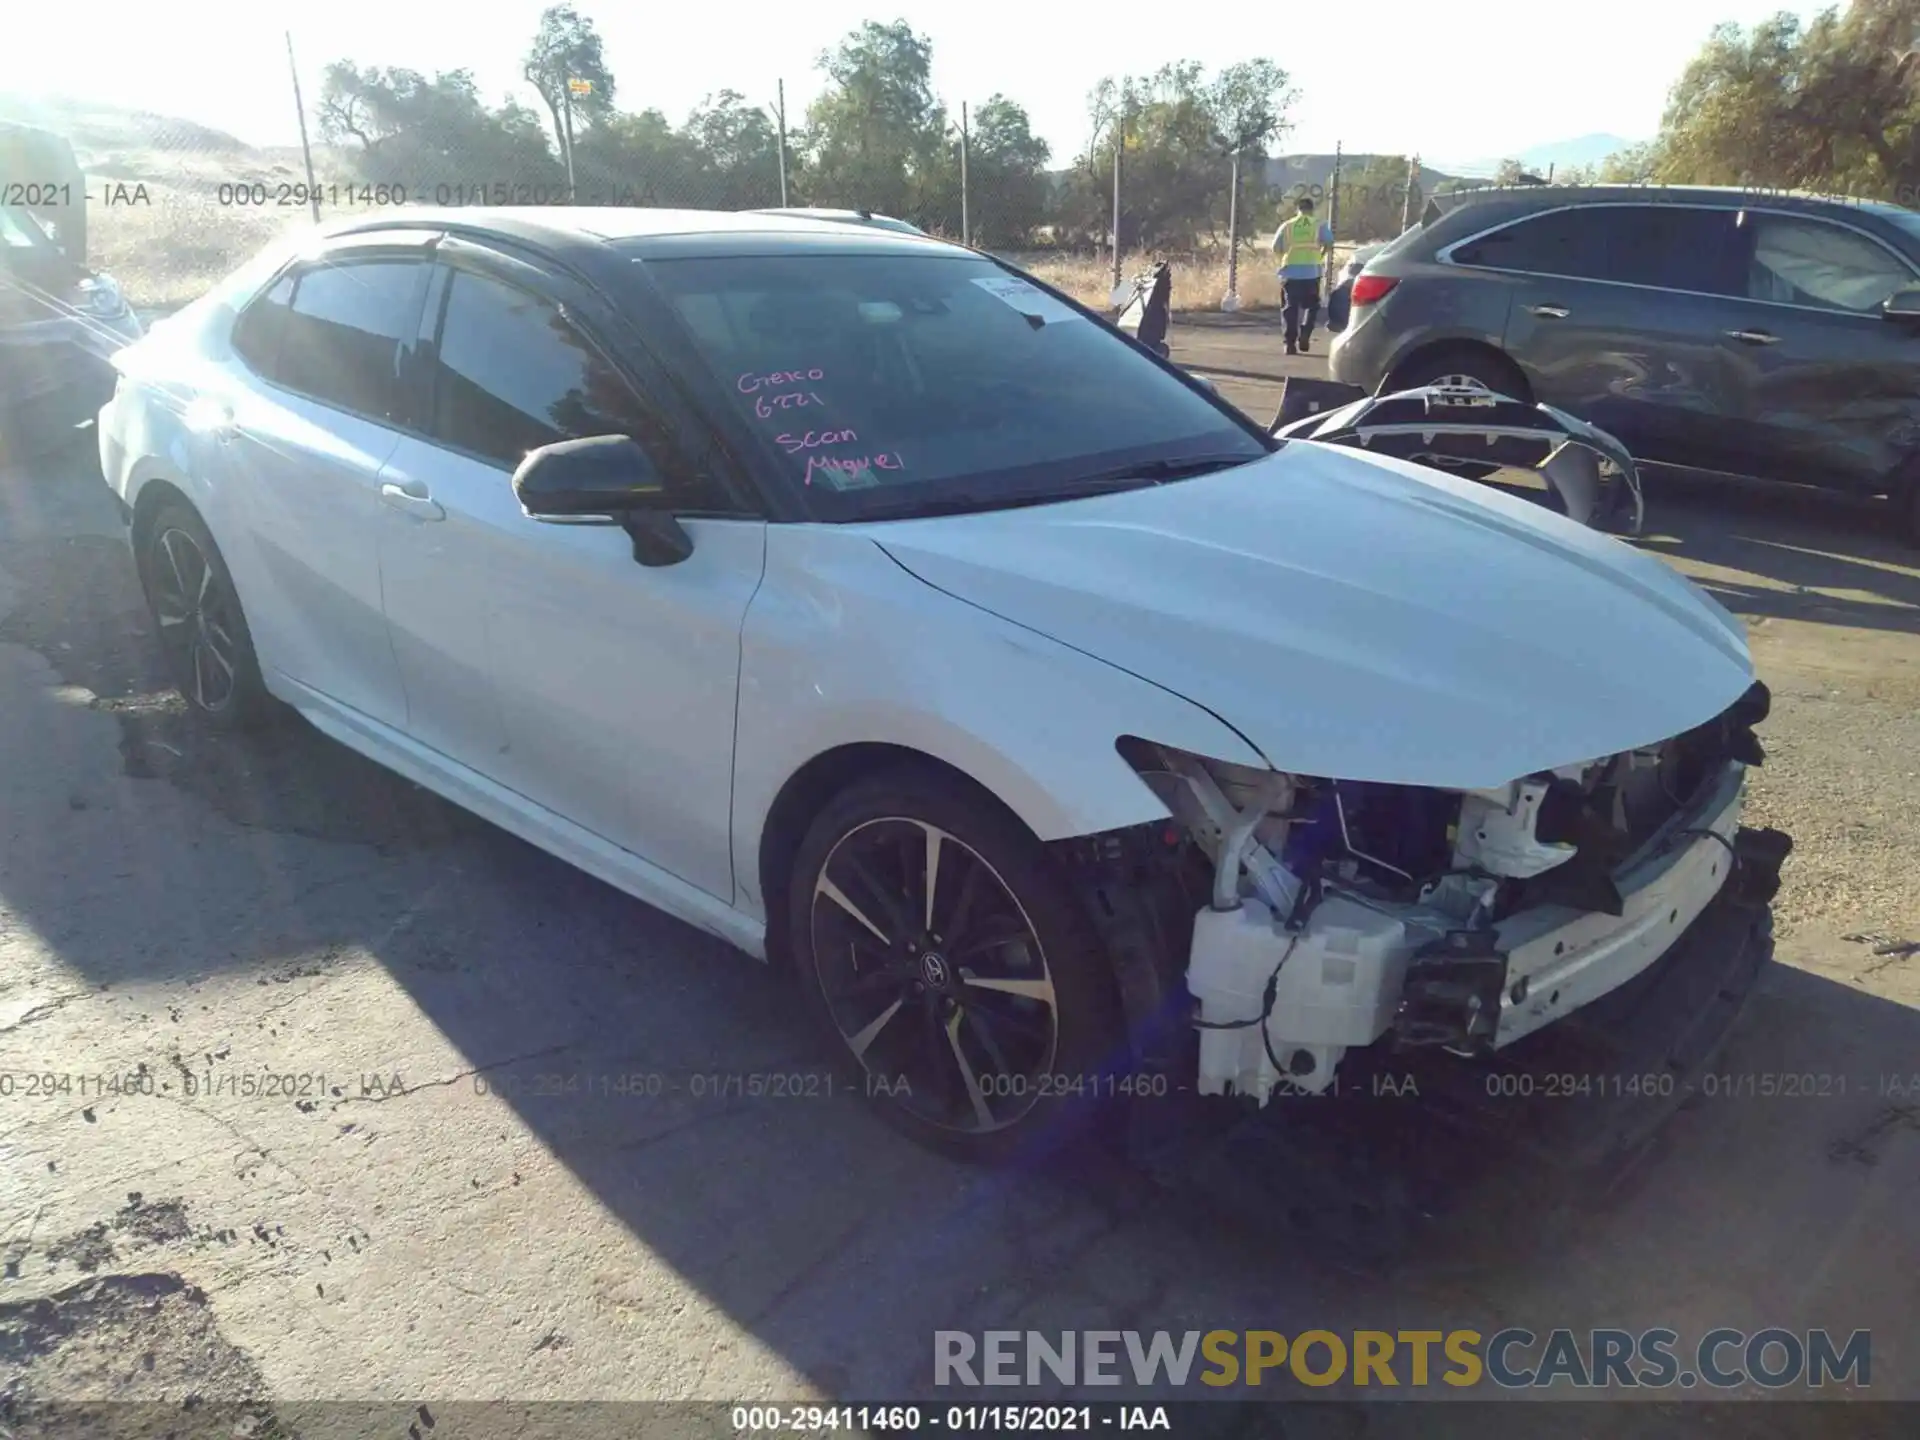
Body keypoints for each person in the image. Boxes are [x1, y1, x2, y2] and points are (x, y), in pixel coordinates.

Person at [1272, 195, 1334, 356]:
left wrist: (1284, 258)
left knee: (1290, 308)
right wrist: (1320, 255)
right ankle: (1306, 331)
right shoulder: (1319, 224)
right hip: (1311, 272)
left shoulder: (1288, 225)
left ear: (1297, 209)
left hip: (1290, 272)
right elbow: (1329, 242)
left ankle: (1289, 344)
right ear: (1311, 210)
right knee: (1312, 306)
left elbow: (1275, 247)